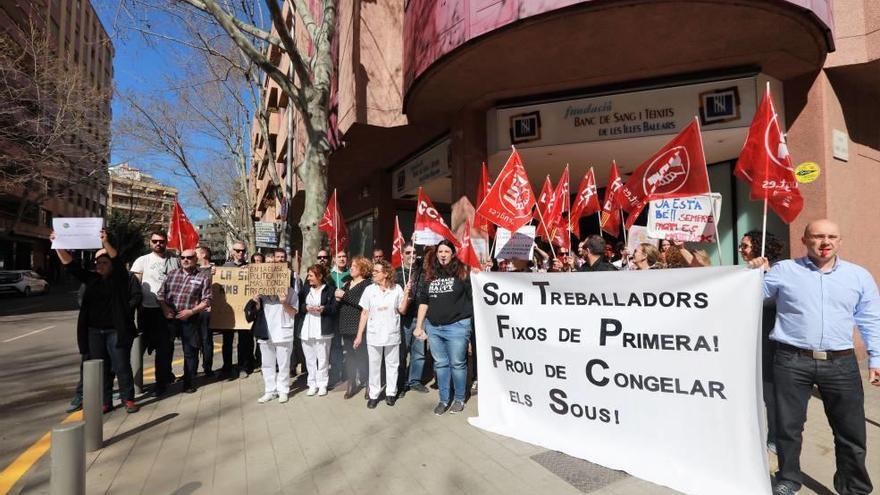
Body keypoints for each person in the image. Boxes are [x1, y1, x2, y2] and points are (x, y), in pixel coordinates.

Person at [749, 219, 879, 495]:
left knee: (851, 431)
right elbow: (751, 299)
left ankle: (854, 488)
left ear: (840, 241)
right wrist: (754, 276)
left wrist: (876, 358)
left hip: (841, 363)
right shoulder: (784, 270)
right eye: (818, 236)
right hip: (791, 361)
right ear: (805, 240)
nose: (825, 242)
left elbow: (871, 319)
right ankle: (788, 479)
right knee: (787, 428)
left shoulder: (858, 276)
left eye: (832, 236)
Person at [54, 231, 141, 413]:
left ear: (111, 265)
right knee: (101, 369)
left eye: (104, 262)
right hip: (94, 331)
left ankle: (128, 399)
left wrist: (106, 242)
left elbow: (118, 262)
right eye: (98, 263)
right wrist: (57, 245)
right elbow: (71, 266)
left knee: (121, 366)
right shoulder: (91, 279)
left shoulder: (120, 280)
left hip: (115, 331)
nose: (100, 265)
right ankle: (105, 401)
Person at [414, 239, 474, 415]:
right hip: (434, 328)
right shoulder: (430, 273)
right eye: (440, 251)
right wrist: (419, 326)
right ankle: (443, 399)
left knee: (457, 363)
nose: (443, 255)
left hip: (457, 326)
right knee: (441, 364)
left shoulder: (463, 272)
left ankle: (459, 398)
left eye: (446, 251)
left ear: (453, 253)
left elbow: (472, 298)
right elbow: (424, 302)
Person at [740, 230, 785, 454]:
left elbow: (775, 300)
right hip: (750, 343)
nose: (741, 250)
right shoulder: (743, 271)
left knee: (773, 395)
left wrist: (765, 273)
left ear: (759, 247)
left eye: (745, 246)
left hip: (771, 344)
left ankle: (776, 439)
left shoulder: (779, 271)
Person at [130, 231, 180, 396]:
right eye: (155, 241)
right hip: (147, 310)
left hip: (168, 310)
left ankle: (161, 383)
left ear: (166, 242)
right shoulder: (142, 260)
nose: (158, 244)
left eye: (161, 241)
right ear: (150, 242)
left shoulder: (174, 260)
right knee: (140, 348)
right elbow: (134, 285)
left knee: (164, 349)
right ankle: (133, 384)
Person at [157, 248, 212, 393]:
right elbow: (160, 294)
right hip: (170, 317)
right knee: (164, 351)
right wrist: (164, 308)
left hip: (190, 318)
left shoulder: (203, 277)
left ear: (195, 259)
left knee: (190, 351)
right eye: (182, 257)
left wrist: (191, 311)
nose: (185, 260)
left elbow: (206, 300)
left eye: (189, 257)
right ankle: (161, 384)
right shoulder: (171, 274)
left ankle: (189, 382)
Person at [246, 250, 298, 404]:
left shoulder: (289, 291)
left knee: (283, 363)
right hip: (265, 329)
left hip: (283, 330)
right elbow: (254, 311)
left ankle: (283, 390)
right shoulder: (259, 290)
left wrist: (284, 302)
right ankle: (270, 390)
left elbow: (294, 312)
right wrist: (255, 301)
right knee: (267, 363)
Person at [356, 260, 406, 408]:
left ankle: (391, 393)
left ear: (386, 274)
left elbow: (402, 310)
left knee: (392, 365)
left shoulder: (397, 289)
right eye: (373, 271)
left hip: (392, 332)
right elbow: (364, 313)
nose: (373, 273)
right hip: (374, 334)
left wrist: (407, 294)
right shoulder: (369, 290)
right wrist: (359, 335)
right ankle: (374, 394)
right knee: (374, 365)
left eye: (376, 271)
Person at [296, 263, 337, 396]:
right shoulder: (305, 288)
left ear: (319, 276)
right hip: (307, 328)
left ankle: (322, 384)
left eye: (311, 275)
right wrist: (306, 308)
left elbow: (334, 309)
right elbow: (298, 304)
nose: (308, 278)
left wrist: (324, 309)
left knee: (323, 359)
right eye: (308, 275)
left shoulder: (330, 289)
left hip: (322, 329)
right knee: (310, 359)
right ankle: (312, 384)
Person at [335, 256, 372, 399]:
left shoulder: (366, 284)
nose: (351, 268)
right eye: (351, 266)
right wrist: (338, 298)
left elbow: (362, 304)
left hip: (358, 326)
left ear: (362, 269)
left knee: (362, 355)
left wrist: (344, 296)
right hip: (345, 325)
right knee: (350, 356)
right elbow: (343, 301)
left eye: (355, 266)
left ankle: (369, 383)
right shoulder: (347, 283)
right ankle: (352, 382)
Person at [397, 243, 429, 394]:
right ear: (402, 255)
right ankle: (401, 383)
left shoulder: (423, 272)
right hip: (402, 319)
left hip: (420, 318)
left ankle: (415, 381)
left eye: (414, 252)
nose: (412, 255)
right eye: (408, 252)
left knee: (419, 353)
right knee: (401, 353)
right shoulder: (396, 273)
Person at [221, 241, 254, 380]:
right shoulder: (224, 268)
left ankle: (243, 367)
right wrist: (214, 273)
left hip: (244, 311)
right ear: (232, 251)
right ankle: (227, 367)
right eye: (237, 250)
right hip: (228, 313)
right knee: (227, 341)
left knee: (244, 341)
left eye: (243, 251)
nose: (240, 253)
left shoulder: (250, 268)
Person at [195, 246, 215, 377]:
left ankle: (207, 367)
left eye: (195, 253)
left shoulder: (215, 271)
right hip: (193, 310)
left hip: (207, 311)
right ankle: (192, 369)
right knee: (193, 341)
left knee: (206, 340)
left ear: (203, 255)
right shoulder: (192, 270)